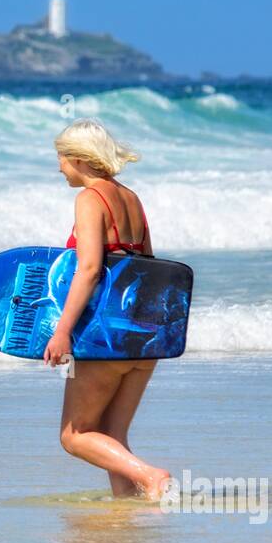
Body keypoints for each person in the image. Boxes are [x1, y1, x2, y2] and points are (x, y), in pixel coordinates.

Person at [43, 119, 171, 498]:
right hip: (143, 337)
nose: (59, 168)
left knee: (75, 435)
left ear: (80, 159)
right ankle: (131, 507)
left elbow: (89, 268)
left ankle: (151, 476)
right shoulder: (131, 199)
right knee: (112, 436)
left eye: (62, 159)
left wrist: (63, 330)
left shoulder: (89, 199)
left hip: (103, 339)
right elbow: (147, 266)